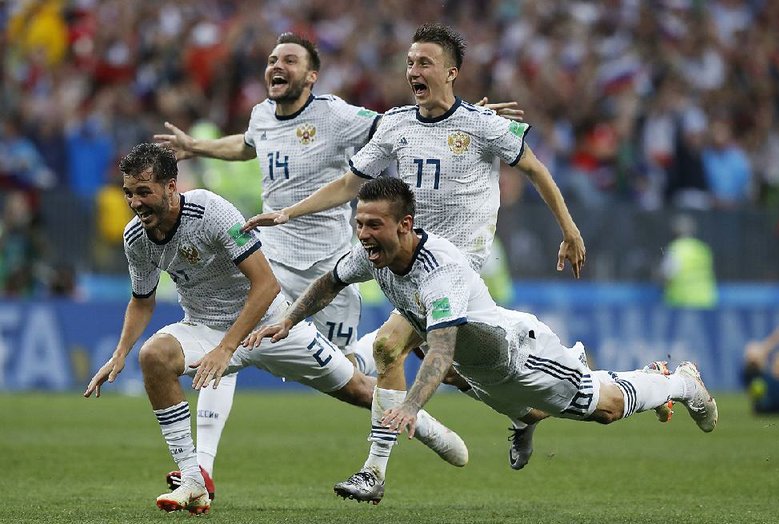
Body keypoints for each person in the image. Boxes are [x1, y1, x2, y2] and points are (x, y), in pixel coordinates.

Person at [153, 31, 526, 492]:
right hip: (273, 259)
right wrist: (199, 147)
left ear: (311, 75)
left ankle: (451, 415)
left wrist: (469, 118)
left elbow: (405, 124)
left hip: (328, 269)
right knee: (232, 344)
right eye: (272, 58)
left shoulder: (337, 114)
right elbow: (250, 145)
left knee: (359, 376)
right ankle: (201, 469)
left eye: (289, 59)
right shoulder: (261, 115)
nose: (276, 65)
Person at [243, 23, 587, 474]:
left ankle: (373, 470)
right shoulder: (396, 124)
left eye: (424, 62)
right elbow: (351, 183)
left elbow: (537, 170)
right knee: (456, 366)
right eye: (409, 62)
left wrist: (569, 228)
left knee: (389, 346)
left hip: (457, 262)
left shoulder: (482, 125)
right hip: (410, 257)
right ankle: (525, 414)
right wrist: (289, 213)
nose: (413, 70)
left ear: (451, 72)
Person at [245, 177, 719, 504]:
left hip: (521, 354)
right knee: (453, 371)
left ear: (405, 226)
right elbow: (331, 280)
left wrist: (410, 406)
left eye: (374, 225)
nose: (364, 235)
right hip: (480, 368)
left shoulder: (442, 274)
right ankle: (524, 420)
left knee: (606, 409)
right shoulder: (373, 254)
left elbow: (442, 348)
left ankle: (678, 382)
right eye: (360, 224)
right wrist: (288, 320)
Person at [83, 143, 468, 514]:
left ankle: (425, 424)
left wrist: (227, 348)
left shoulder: (211, 211)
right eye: (129, 193)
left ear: (171, 186)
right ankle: (193, 481)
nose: (135, 203)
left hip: (270, 325)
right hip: (204, 328)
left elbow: (266, 285)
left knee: (355, 388)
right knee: (155, 356)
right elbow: (142, 300)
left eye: (143, 192)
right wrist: (120, 354)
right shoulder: (136, 237)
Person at [742, 314, 779, 416]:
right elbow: (753, 356)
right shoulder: (766, 379)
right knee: (754, 372)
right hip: (767, 405)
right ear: (773, 364)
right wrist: (776, 338)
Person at [660, 214, 718, 309]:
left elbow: (667, 276)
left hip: (682, 302)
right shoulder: (703, 248)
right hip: (706, 301)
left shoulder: (675, 248)